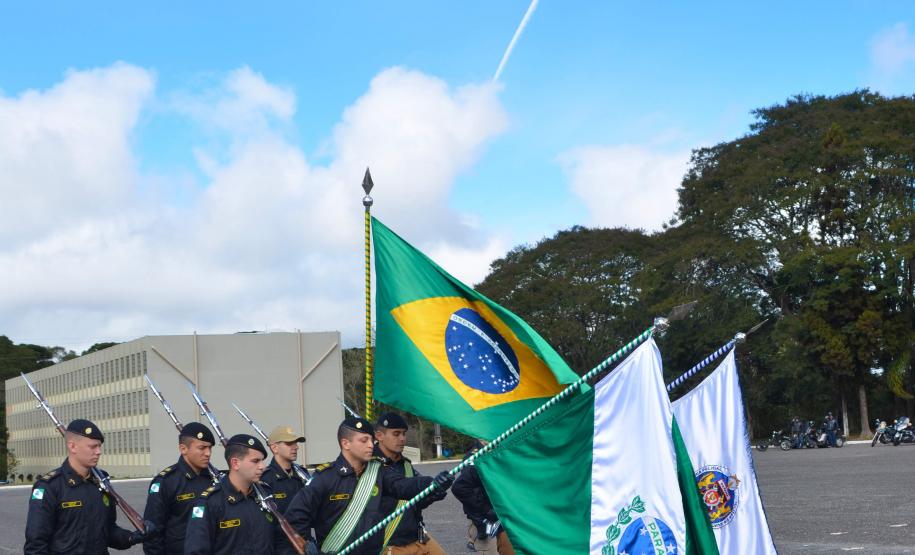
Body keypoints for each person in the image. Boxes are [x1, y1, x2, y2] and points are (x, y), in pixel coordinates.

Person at [285, 417, 454, 555]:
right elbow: (295, 517)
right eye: (364, 440)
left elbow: (403, 486)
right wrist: (308, 545)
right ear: (346, 443)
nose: (371, 445)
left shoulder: (379, 471)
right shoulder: (325, 477)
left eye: (371, 440)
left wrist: (432, 483)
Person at [25, 419, 156, 554]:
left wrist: (131, 537)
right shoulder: (50, 487)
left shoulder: (101, 482)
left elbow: (107, 530)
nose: (98, 452)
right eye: (93, 447)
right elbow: (36, 545)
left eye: (99, 446)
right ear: (72, 447)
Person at [184, 434, 284, 554]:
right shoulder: (210, 502)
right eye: (256, 461)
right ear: (235, 463)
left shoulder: (266, 494)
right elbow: (196, 550)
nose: (262, 466)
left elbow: (280, 539)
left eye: (262, 460)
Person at [373, 412, 446, 555]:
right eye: (396, 434)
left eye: (404, 434)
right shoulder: (371, 465)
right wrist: (429, 483)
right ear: (379, 436)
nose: (402, 439)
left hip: (417, 538)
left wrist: (435, 492)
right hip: (390, 543)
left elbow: (416, 502)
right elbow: (400, 486)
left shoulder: (405, 464)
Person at [142, 421, 218, 554]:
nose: (208, 453)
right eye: (202, 448)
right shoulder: (166, 482)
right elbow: (153, 533)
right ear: (183, 449)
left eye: (210, 448)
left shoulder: (215, 479)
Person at [260, 425, 316, 555]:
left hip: (307, 544)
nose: (296, 447)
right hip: (281, 549)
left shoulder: (302, 475)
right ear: (274, 448)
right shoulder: (265, 479)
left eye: (296, 443)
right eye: (289, 443)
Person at [452, 441, 515, 554]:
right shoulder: (474, 456)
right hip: (483, 519)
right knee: (489, 551)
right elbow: (461, 488)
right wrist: (486, 511)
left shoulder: (500, 450)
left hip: (502, 515)